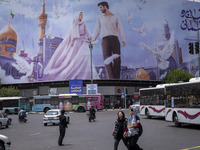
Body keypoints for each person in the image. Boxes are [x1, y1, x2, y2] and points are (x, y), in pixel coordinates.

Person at [44, 12, 99, 80]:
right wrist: (71, 45)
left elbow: (87, 32)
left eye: (82, 15)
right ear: (77, 15)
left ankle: (84, 76)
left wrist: (91, 39)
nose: (82, 16)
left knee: (84, 59)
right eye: (80, 15)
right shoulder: (73, 24)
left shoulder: (84, 24)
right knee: (72, 60)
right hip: (75, 43)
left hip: (83, 43)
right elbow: (70, 36)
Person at [92, 1, 126, 79]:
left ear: (105, 7)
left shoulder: (115, 17)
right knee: (107, 61)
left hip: (115, 39)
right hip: (105, 41)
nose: (100, 9)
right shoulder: (100, 18)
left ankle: (116, 79)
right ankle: (111, 79)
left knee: (117, 60)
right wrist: (93, 39)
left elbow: (120, 28)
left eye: (101, 7)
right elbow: (97, 29)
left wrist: (123, 39)